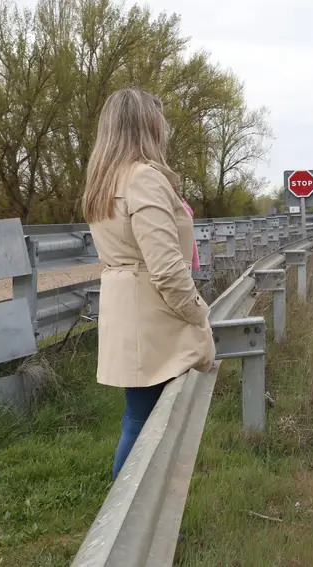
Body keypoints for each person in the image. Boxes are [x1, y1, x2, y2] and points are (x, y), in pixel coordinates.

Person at [81, 88, 215, 480]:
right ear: (146, 127)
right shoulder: (144, 179)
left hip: (128, 312)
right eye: (159, 124)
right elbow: (168, 269)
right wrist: (198, 313)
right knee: (146, 423)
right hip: (153, 318)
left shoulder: (106, 180)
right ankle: (130, 529)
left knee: (139, 416)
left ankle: (133, 525)